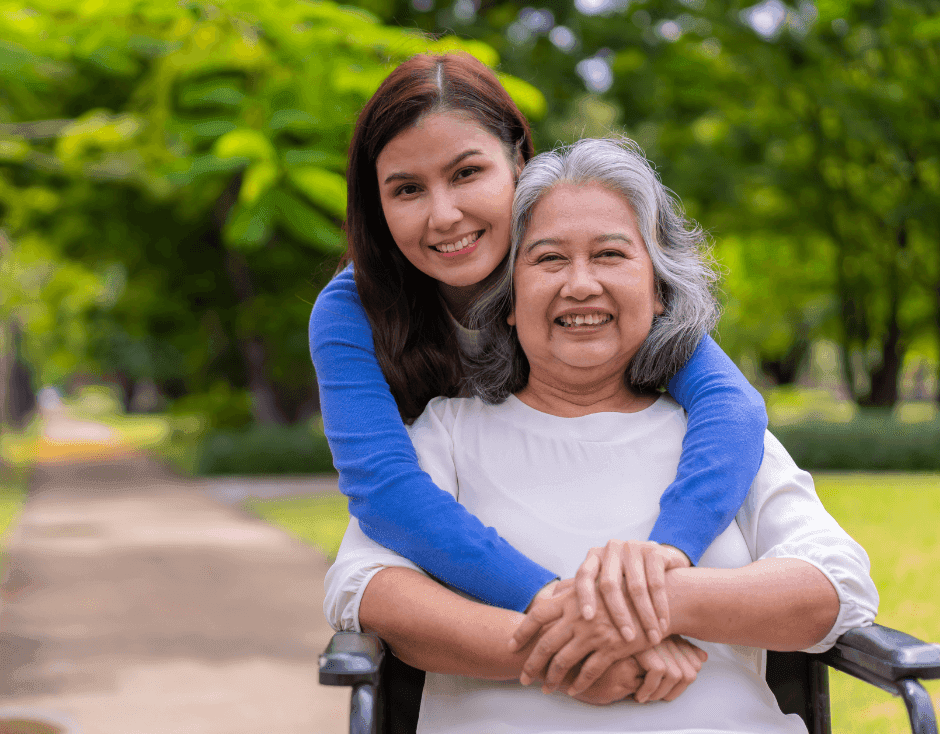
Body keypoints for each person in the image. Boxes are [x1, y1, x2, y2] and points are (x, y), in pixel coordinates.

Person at [324, 138, 879, 733]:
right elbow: (366, 586)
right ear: (508, 299)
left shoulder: (718, 439)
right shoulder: (449, 432)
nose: (581, 284)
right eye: (549, 259)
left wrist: (659, 599)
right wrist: (562, 655)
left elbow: (838, 584)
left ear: (659, 289)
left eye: (611, 254)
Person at [309, 51, 769, 643]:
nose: (443, 215)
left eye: (466, 173)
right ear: (376, 204)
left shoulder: (585, 283)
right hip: (466, 595)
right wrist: (559, 606)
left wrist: (660, 562)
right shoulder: (351, 311)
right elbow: (385, 490)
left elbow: (731, 406)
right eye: (407, 189)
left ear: (519, 164)